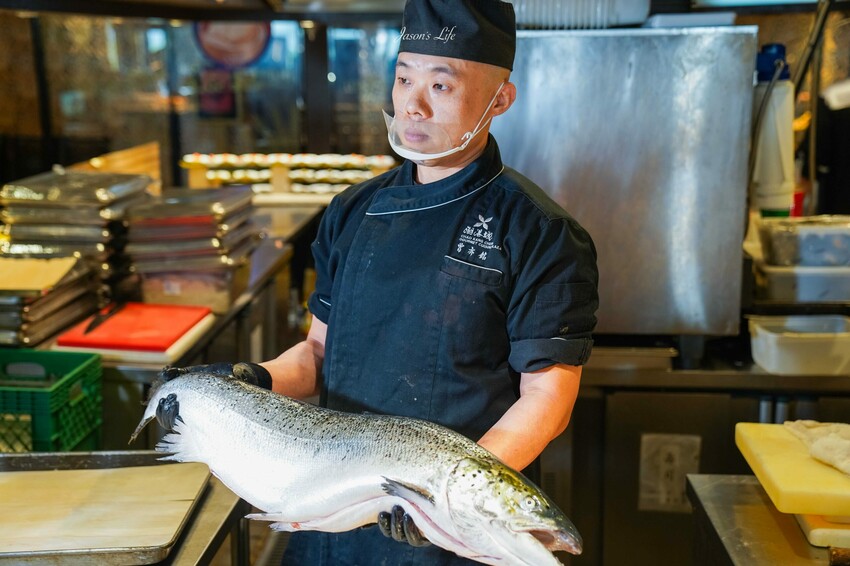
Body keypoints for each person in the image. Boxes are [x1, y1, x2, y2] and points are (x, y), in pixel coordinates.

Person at [180, 0, 599, 563]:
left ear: (499, 99)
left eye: (442, 86)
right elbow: (317, 353)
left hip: (447, 536)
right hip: (328, 515)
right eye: (404, 78)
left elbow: (547, 399)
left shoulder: (540, 232)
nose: (414, 105)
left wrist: (438, 496)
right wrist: (252, 379)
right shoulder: (353, 210)